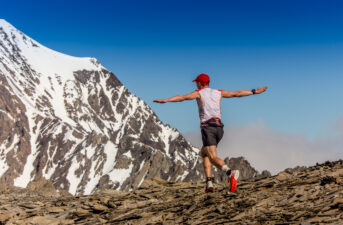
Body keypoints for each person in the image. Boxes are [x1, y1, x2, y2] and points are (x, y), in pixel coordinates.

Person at [154, 73, 268, 193]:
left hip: (208, 128)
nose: (196, 84)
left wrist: (166, 100)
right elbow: (237, 93)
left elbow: (182, 97)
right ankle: (209, 184)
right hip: (219, 128)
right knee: (204, 153)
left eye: (197, 82)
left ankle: (230, 173)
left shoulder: (198, 93)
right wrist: (255, 91)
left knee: (212, 157)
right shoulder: (218, 92)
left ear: (200, 83)